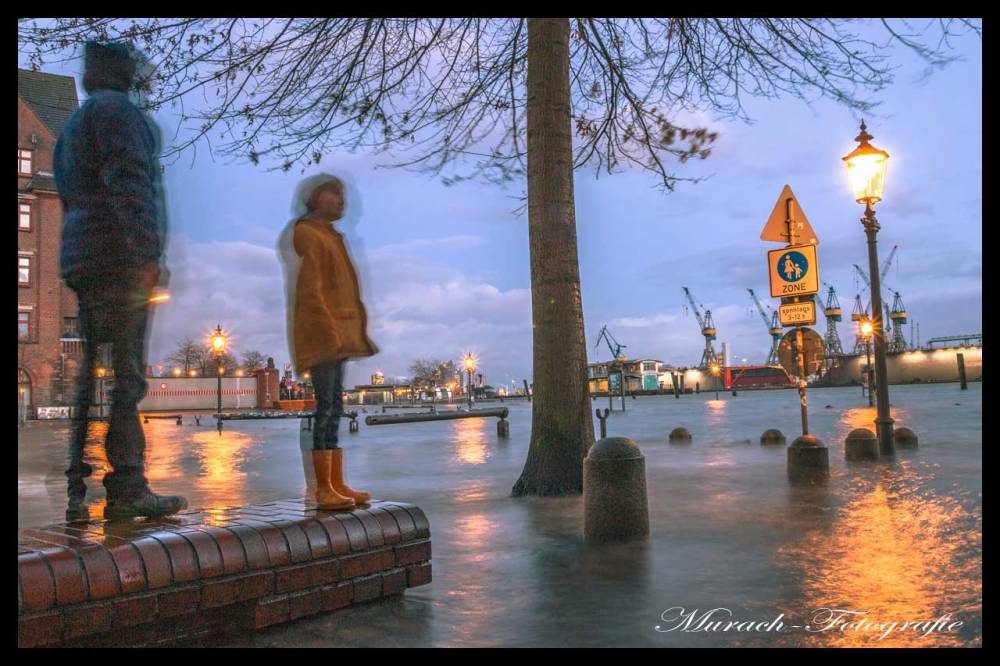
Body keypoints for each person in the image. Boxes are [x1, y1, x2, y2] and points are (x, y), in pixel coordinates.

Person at [55, 41, 187, 520]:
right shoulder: (119, 115)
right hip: (119, 258)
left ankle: (76, 485)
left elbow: (73, 195)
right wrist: (146, 254)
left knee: (91, 373)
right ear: (124, 74)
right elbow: (130, 184)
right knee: (127, 377)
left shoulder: (73, 125)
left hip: (83, 258)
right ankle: (128, 485)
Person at [290, 175, 377, 510]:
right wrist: (327, 330)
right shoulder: (309, 234)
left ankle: (335, 482)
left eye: (343, 196)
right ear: (315, 198)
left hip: (337, 333)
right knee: (326, 407)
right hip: (322, 333)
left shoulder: (330, 236)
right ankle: (323, 488)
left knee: (335, 407)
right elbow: (311, 290)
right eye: (334, 195)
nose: (342, 202)